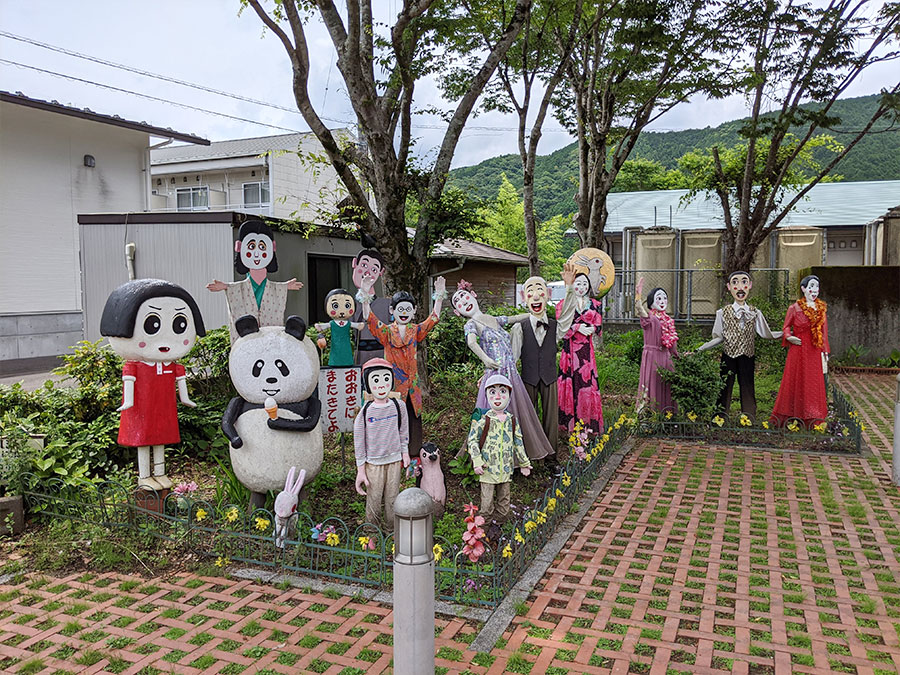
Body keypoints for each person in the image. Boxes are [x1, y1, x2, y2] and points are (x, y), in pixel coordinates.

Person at [100, 279, 205, 490]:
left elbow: (181, 384)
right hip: (141, 409)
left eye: (180, 324)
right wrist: (127, 402)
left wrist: (185, 399)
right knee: (143, 440)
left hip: (163, 409)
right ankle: (144, 476)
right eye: (152, 324)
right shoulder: (135, 366)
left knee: (160, 440)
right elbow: (129, 385)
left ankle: (160, 472)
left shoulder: (172, 366)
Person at [452, 280, 553, 461]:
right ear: (458, 311)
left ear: (473, 296)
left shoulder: (493, 319)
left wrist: (534, 313)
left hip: (511, 372)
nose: (464, 302)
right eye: (458, 303)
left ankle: (518, 454)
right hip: (496, 373)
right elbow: (472, 343)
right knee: (492, 413)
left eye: (465, 297)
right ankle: (488, 457)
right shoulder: (471, 325)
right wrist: (486, 359)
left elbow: (513, 319)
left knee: (516, 412)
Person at [357, 276, 446, 455]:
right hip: (393, 386)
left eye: (408, 309)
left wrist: (439, 296)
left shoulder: (415, 330)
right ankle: (394, 455)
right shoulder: (387, 332)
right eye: (400, 309)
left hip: (413, 388)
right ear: (392, 310)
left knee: (414, 421)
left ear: (413, 311)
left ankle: (414, 456)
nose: (404, 312)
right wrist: (365, 293)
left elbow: (433, 319)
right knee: (392, 419)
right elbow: (370, 319)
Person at [506, 265, 578, 456]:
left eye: (540, 291)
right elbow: (512, 358)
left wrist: (569, 287)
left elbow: (568, 315)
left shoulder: (555, 326)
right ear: (524, 298)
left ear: (547, 294)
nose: (536, 296)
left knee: (551, 419)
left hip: (549, 377)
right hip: (527, 379)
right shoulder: (518, 328)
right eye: (530, 292)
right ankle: (529, 456)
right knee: (527, 418)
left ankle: (551, 456)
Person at [697, 271, 781, 420]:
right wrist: (700, 349)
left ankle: (748, 418)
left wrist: (786, 334)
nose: (740, 287)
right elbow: (718, 338)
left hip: (748, 355)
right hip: (728, 355)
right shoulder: (722, 313)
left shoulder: (755, 312)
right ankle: (719, 418)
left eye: (744, 282)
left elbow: (765, 333)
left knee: (748, 386)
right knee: (724, 387)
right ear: (729, 287)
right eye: (735, 283)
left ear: (750, 285)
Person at [207, 219, 302, 342]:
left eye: (262, 247)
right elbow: (235, 288)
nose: (256, 253)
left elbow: (277, 287)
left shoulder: (276, 289)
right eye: (251, 247)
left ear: (271, 248)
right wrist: (226, 286)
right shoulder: (237, 289)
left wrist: (285, 286)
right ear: (240, 248)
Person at [353, 358, 410, 531]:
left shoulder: (398, 406)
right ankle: (371, 531)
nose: (381, 384)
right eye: (375, 380)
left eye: (386, 379)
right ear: (368, 384)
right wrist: (361, 470)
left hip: (394, 459)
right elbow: (359, 442)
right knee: (374, 497)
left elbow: (403, 431)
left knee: (393, 496)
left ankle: (391, 528)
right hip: (374, 463)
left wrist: (405, 453)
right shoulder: (365, 412)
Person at [466, 374, 531, 522]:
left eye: (503, 391)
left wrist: (524, 463)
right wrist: (477, 460)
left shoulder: (511, 420)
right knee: (486, 505)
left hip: (505, 470)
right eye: (492, 392)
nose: (498, 396)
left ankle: (500, 529)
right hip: (488, 469)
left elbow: (518, 442)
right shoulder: (484, 419)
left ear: (509, 396)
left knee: (504, 504)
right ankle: (483, 531)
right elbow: (472, 440)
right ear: (487, 396)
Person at [770, 275, 830, 428]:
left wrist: (825, 351)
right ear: (803, 289)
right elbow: (786, 327)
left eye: (817, 287)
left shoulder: (821, 309)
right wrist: (789, 337)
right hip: (798, 349)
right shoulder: (794, 308)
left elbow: (824, 332)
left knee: (813, 381)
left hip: (814, 350)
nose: (814, 290)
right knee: (795, 379)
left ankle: (813, 415)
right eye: (811, 286)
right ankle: (792, 414)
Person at [556, 272, 604, 435]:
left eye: (585, 284)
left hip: (586, 352)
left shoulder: (595, 304)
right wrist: (577, 328)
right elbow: (561, 328)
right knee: (571, 384)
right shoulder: (563, 304)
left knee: (586, 386)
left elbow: (598, 326)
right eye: (578, 283)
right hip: (570, 351)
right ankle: (567, 428)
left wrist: (592, 328)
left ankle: (587, 426)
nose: (581, 287)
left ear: (589, 286)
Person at [634, 276, 678, 412]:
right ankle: (650, 415)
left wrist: (677, 356)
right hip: (652, 357)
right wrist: (638, 296)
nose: (662, 301)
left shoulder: (669, 320)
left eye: (664, 298)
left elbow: (673, 343)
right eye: (658, 298)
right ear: (651, 302)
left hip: (666, 357)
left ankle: (667, 414)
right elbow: (639, 310)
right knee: (652, 383)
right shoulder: (650, 318)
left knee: (666, 384)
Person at [349, 248, 392, 365]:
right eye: (364, 265)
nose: (367, 272)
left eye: (374, 269)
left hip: (383, 357)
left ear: (380, 272)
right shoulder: (349, 304)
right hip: (360, 357)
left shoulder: (387, 305)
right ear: (355, 263)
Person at [314, 289, 364, 367]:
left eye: (347, 306)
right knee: (335, 353)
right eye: (336, 306)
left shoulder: (347, 323)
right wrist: (319, 327)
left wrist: (359, 326)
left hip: (345, 344)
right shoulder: (333, 323)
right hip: (335, 345)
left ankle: (347, 362)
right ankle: (335, 362)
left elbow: (355, 325)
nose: (341, 311)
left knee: (346, 352)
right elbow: (325, 326)